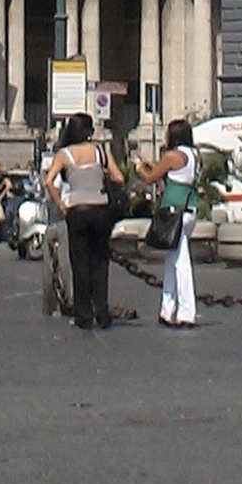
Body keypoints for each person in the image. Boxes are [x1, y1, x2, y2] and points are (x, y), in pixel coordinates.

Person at [45, 113, 124, 331]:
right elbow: (119, 177)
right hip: (100, 209)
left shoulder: (64, 154)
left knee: (80, 263)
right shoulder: (101, 151)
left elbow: (49, 181)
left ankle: (83, 315)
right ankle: (102, 312)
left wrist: (61, 204)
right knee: (100, 263)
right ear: (89, 132)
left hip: (77, 211)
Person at [135, 119, 199, 330]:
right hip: (190, 209)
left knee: (181, 261)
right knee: (172, 259)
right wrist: (150, 162)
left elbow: (150, 178)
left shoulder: (172, 156)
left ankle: (187, 312)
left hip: (174, 211)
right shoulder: (194, 155)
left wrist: (140, 169)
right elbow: (173, 175)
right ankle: (167, 309)